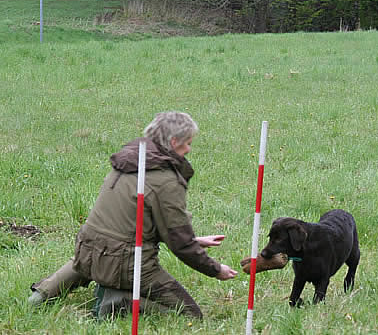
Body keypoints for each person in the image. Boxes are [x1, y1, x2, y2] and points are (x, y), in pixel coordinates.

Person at [28, 111, 238, 318]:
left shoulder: (128, 161)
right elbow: (181, 245)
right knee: (189, 315)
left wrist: (195, 240)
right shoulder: (166, 180)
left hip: (86, 249)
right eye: (188, 143)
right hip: (126, 263)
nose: (190, 149)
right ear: (174, 142)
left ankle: (41, 295)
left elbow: (131, 223)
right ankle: (117, 301)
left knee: (90, 261)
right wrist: (216, 270)